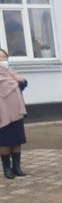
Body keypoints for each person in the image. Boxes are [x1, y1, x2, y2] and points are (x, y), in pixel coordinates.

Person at [0, 48, 28, 179]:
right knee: (4, 142)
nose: (2, 60)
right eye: (0, 57)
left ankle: (17, 167)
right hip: (2, 113)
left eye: (4, 57)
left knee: (17, 140)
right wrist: (15, 81)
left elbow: (23, 84)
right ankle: (7, 169)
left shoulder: (11, 72)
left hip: (16, 111)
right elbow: (5, 87)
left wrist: (21, 81)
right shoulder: (9, 77)